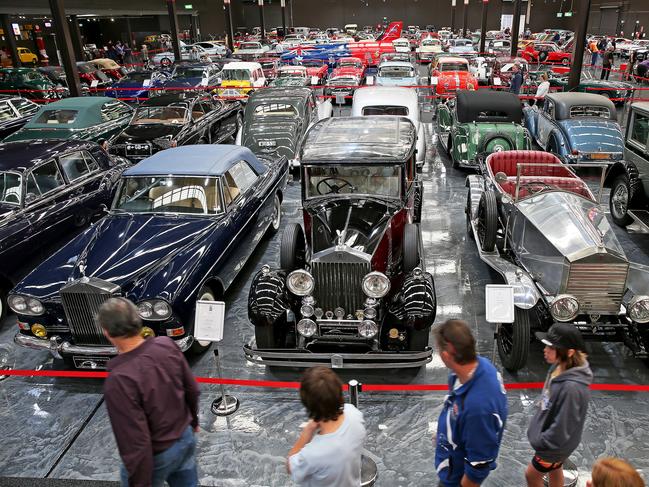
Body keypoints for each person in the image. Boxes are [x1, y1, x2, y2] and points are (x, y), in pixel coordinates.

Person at [100, 298, 200, 487]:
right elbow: (192, 389)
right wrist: (193, 422)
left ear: (107, 332)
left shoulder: (119, 379)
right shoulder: (166, 344)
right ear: (138, 320)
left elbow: (136, 442)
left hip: (158, 456)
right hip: (185, 437)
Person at [434, 320, 508, 487]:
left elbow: (479, 464)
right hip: (452, 455)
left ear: (446, 355)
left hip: (456, 477)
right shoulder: (481, 366)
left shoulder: (478, 408)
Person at [525, 323, 593, 487]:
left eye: (552, 348)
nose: (545, 350)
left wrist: (543, 443)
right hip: (556, 444)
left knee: (532, 476)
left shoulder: (572, 388)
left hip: (553, 447)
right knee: (556, 469)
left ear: (569, 352)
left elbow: (563, 426)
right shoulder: (560, 367)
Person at [287, 366, 366, 487]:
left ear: (308, 405)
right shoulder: (354, 414)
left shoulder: (313, 453)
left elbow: (290, 467)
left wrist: (307, 431)